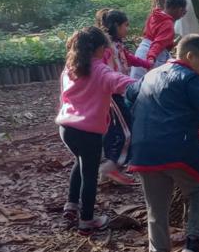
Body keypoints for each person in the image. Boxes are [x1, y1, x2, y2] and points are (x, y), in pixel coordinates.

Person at [128, 34, 199, 252]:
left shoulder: (150, 75)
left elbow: (129, 96)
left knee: (156, 209)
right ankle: (193, 241)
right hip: (178, 148)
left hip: (144, 150)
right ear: (190, 56)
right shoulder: (189, 78)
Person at [56, 27, 139, 235]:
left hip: (66, 129)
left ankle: (71, 206)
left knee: (80, 162)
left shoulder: (70, 67)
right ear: (100, 48)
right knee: (90, 175)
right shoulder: (101, 71)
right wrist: (146, 84)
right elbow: (121, 82)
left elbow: (64, 96)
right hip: (88, 132)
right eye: (105, 48)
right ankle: (87, 220)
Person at [97, 9, 153, 185]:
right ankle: (110, 167)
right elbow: (102, 68)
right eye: (125, 25)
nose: (127, 29)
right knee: (127, 129)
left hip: (117, 93)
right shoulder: (106, 47)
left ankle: (108, 171)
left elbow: (127, 58)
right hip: (112, 94)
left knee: (114, 131)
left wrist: (147, 64)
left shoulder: (117, 44)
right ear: (116, 25)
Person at [132, 0, 188, 80]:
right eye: (182, 11)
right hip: (153, 57)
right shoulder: (168, 24)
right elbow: (158, 44)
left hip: (141, 52)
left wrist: (172, 43)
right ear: (178, 9)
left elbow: (154, 37)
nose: (182, 15)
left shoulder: (155, 15)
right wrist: (151, 59)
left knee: (135, 83)